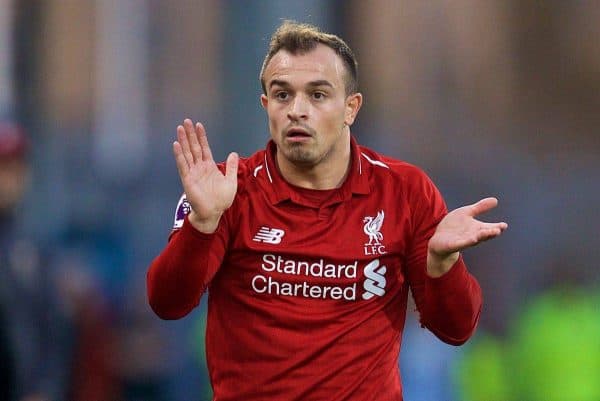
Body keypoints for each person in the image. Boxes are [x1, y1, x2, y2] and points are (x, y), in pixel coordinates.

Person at [147, 21, 508, 400]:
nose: (297, 110)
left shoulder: (405, 191)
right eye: (282, 95)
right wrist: (201, 225)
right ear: (266, 106)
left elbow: (457, 329)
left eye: (317, 95)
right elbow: (167, 303)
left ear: (351, 108)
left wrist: (442, 264)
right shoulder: (225, 189)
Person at [0, 122, 68, 401]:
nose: (11, 179)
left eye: (17, 169)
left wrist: (45, 388)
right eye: (4, 168)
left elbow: (53, 329)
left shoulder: (30, 249)